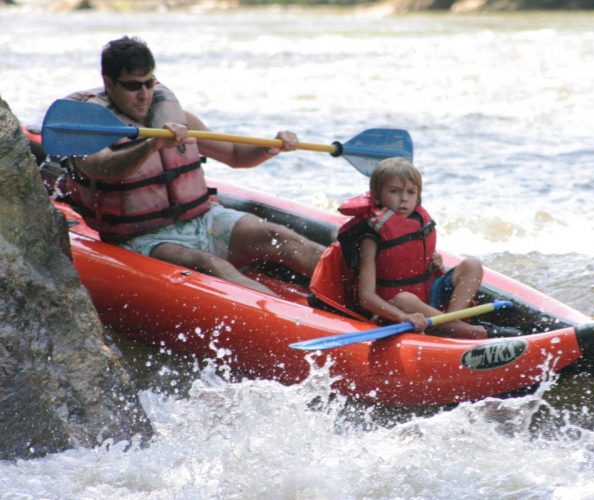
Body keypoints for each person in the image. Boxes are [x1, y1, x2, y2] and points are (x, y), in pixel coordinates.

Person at [62, 36, 324, 295]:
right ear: (109, 84)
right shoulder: (88, 130)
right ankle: (291, 322)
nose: (144, 95)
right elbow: (103, 168)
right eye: (132, 86)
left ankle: (358, 296)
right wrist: (151, 144)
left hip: (204, 219)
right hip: (143, 238)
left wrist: (271, 146)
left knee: (280, 236)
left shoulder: (176, 118)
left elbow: (235, 155)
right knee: (210, 265)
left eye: (149, 83)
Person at [311, 157, 501, 339]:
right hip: (395, 309)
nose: (404, 199)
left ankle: (453, 327)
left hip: (427, 300)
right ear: (377, 196)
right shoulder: (371, 238)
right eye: (394, 191)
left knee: (472, 265)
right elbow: (366, 297)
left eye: (411, 192)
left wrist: (434, 263)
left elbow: (413, 261)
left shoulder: (417, 222)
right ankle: (468, 332)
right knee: (405, 299)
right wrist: (402, 317)